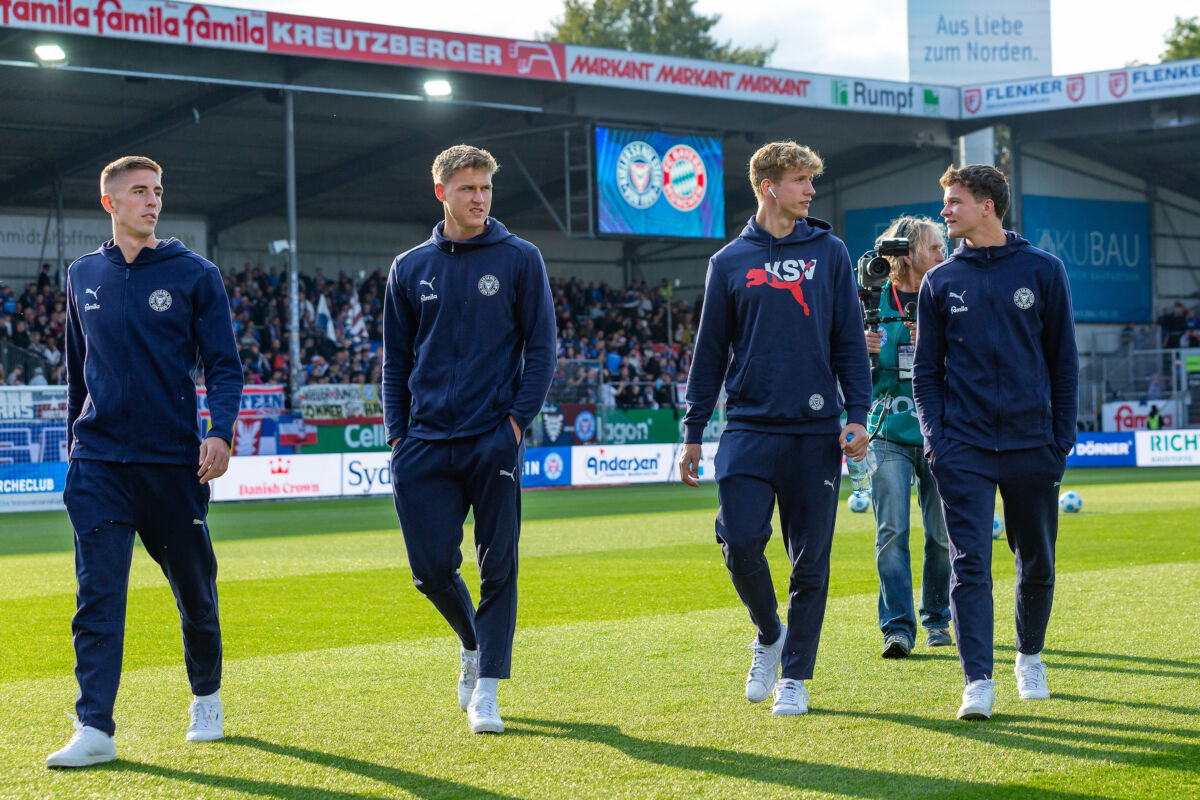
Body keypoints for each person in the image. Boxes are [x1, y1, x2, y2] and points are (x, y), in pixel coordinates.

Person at [47, 156, 243, 768]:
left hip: (172, 466)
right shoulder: (82, 275)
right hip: (99, 463)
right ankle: (95, 726)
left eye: (157, 190)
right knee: (97, 596)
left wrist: (221, 432)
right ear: (111, 202)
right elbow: (78, 372)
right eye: (138, 192)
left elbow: (225, 365)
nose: (151, 200)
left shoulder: (195, 273)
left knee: (195, 593)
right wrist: (75, 442)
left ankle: (205, 696)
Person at [679, 140, 871, 716]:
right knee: (739, 542)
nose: (811, 190)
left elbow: (848, 342)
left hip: (815, 431)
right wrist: (693, 430)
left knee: (810, 561)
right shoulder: (728, 262)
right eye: (800, 181)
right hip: (749, 427)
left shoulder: (831, 252)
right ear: (769, 186)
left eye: (811, 180)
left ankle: (795, 678)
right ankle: (769, 632)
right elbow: (709, 352)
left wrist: (857, 414)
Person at [382, 145, 555, 735]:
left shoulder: (520, 259)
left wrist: (514, 423)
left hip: (492, 437)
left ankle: (487, 690)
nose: (479, 198)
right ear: (442, 193)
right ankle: (472, 643)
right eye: (467, 189)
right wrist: (397, 436)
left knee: (497, 565)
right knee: (430, 570)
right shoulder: (408, 268)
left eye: (485, 188)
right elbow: (396, 360)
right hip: (423, 442)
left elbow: (542, 350)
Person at [913, 164, 1078, 721]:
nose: (945, 211)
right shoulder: (939, 281)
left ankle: (1028, 656)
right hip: (964, 448)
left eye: (954, 201)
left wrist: (1062, 439)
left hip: (1035, 445)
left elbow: (1064, 363)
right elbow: (925, 374)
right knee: (969, 565)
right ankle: (976, 681)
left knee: (1037, 561)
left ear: (988, 205)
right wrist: (938, 440)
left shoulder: (1044, 270)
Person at [862, 216, 952, 659]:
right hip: (886, 430)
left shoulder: (948, 295)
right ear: (910, 253)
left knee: (940, 535)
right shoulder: (872, 298)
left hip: (940, 431)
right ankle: (897, 628)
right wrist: (862, 350)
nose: (942, 255)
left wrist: (940, 343)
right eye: (935, 247)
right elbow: (842, 365)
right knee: (891, 532)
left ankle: (937, 617)